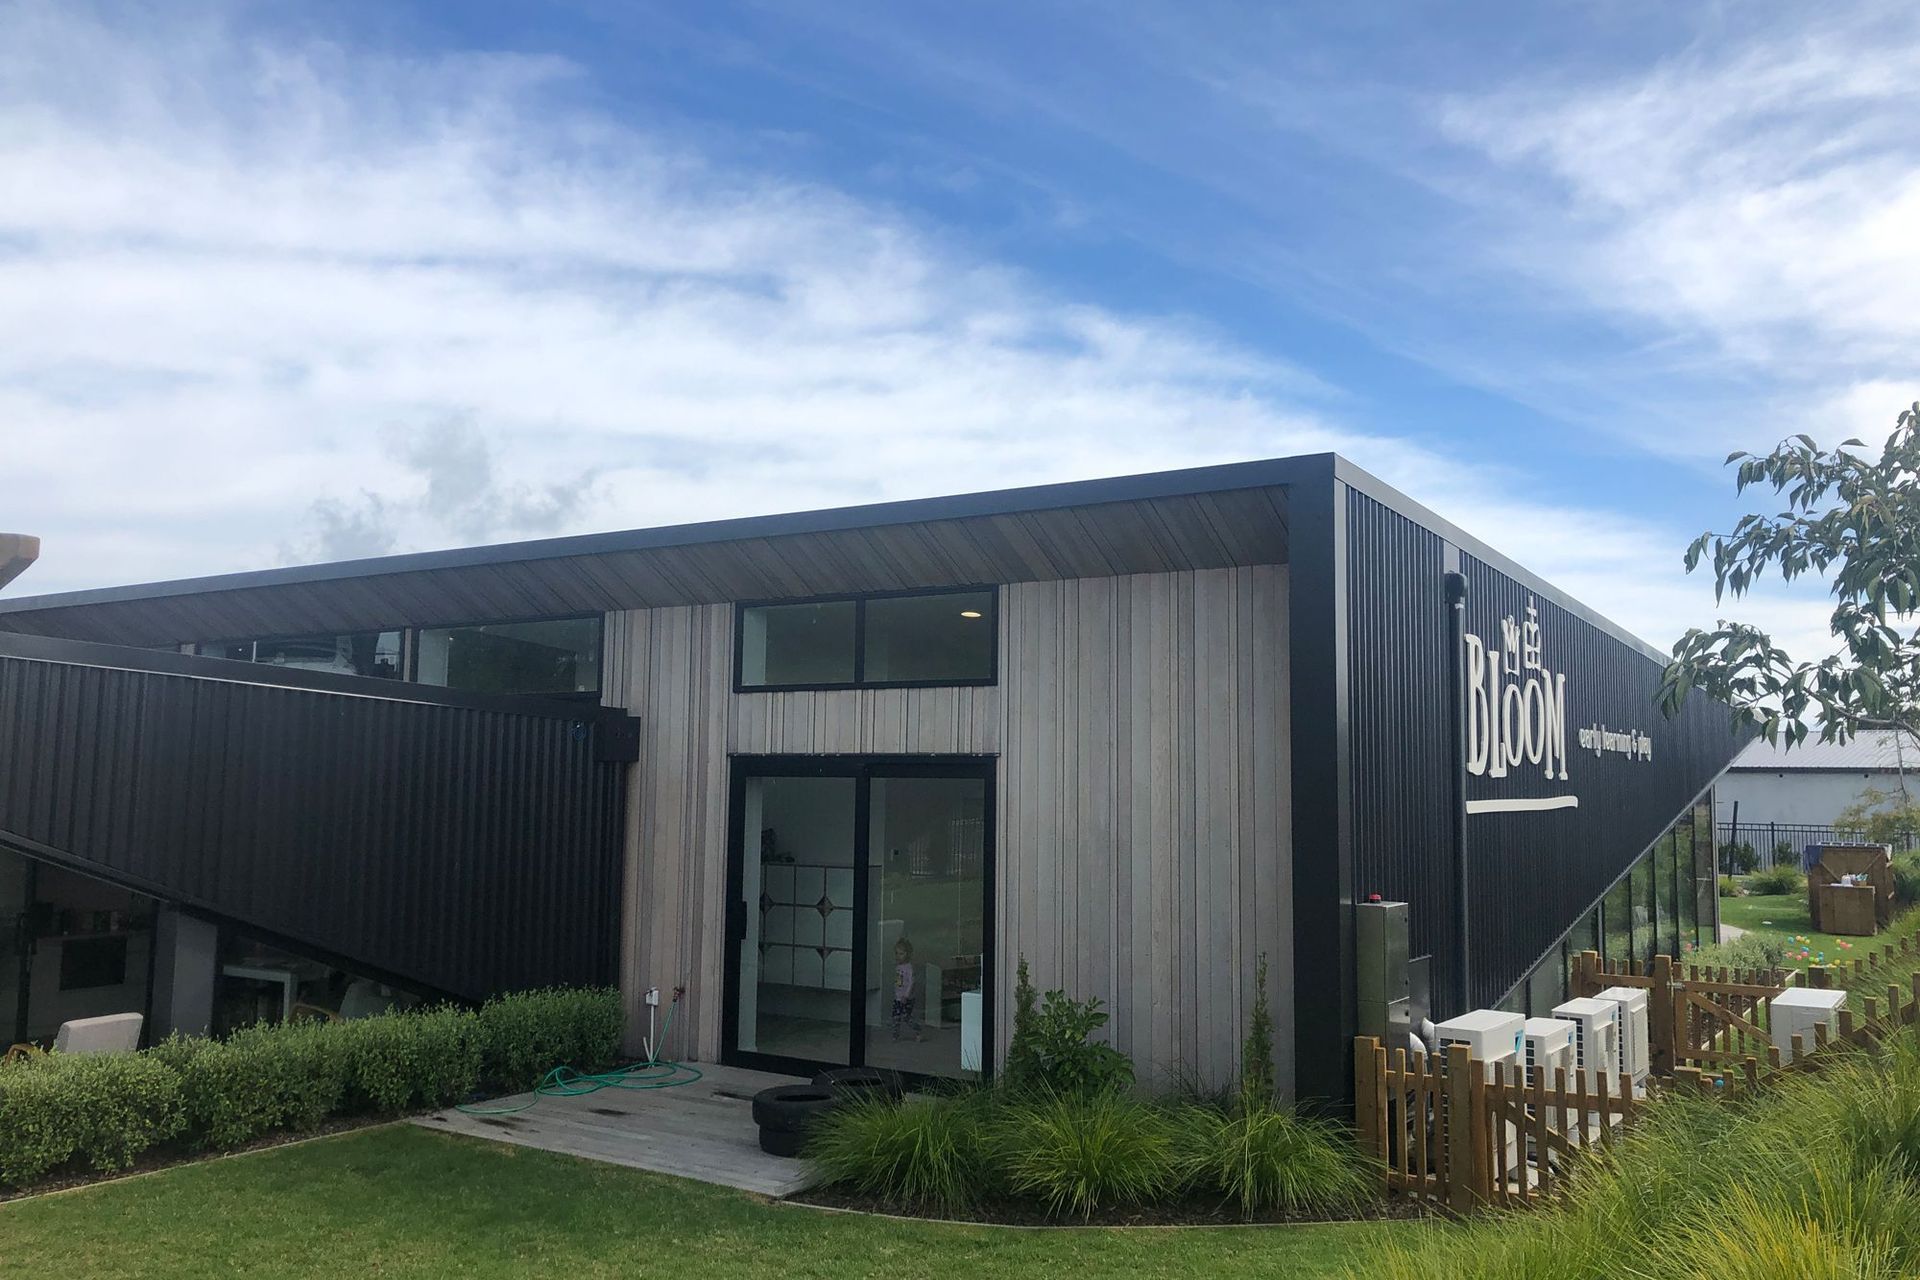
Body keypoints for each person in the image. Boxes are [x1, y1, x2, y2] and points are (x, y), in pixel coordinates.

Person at [891, 938, 924, 1042]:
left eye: (901, 954)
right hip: (898, 996)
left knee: (906, 1017)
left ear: (907, 954)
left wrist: (906, 995)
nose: (898, 956)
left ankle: (918, 1030)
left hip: (907, 997)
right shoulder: (898, 966)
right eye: (896, 953)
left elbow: (911, 982)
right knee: (895, 1016)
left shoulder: (909, 968)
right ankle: (895, 1035)